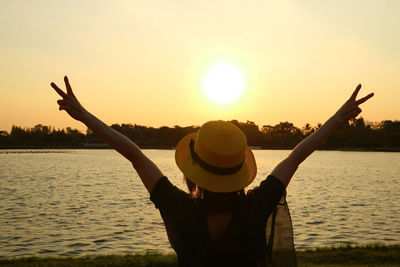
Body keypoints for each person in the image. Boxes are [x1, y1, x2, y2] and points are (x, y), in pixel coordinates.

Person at [51, 76, 373, 267]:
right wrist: (336, 120)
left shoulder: (178, 207)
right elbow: (297, 155)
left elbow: (134, 155)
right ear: (239, 169)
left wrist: (85, 116)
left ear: (193, 170)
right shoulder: (256, 206)